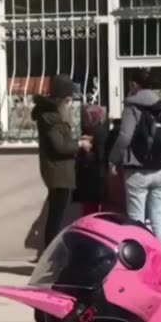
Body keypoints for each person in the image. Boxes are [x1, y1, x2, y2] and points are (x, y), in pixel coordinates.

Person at [108, 69, 161, 250]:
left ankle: (139, 260)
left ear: (134, 84)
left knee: (136, 220)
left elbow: (124, 137)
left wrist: (113, 160)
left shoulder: (131, 107)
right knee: (158, 219)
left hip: (137, 172)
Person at [32, 74, 92, 248]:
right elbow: (60, 146)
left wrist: (78, 140)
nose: (70, 104)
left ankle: (51, 251)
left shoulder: (52, 116)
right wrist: (79, 144)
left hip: (60, 172)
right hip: (58, 173)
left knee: (56, 215)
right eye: (68, 100)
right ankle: (50, 252)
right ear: (61, 99)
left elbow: (63, 141)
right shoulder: (50, 118)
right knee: (56, 217)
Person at [74, 105, 109, 216]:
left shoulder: (96, 133)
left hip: (91, 179)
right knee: (93, 210)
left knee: (90, 210)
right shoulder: (100, 132)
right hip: (95, 178)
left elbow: (99, 155)